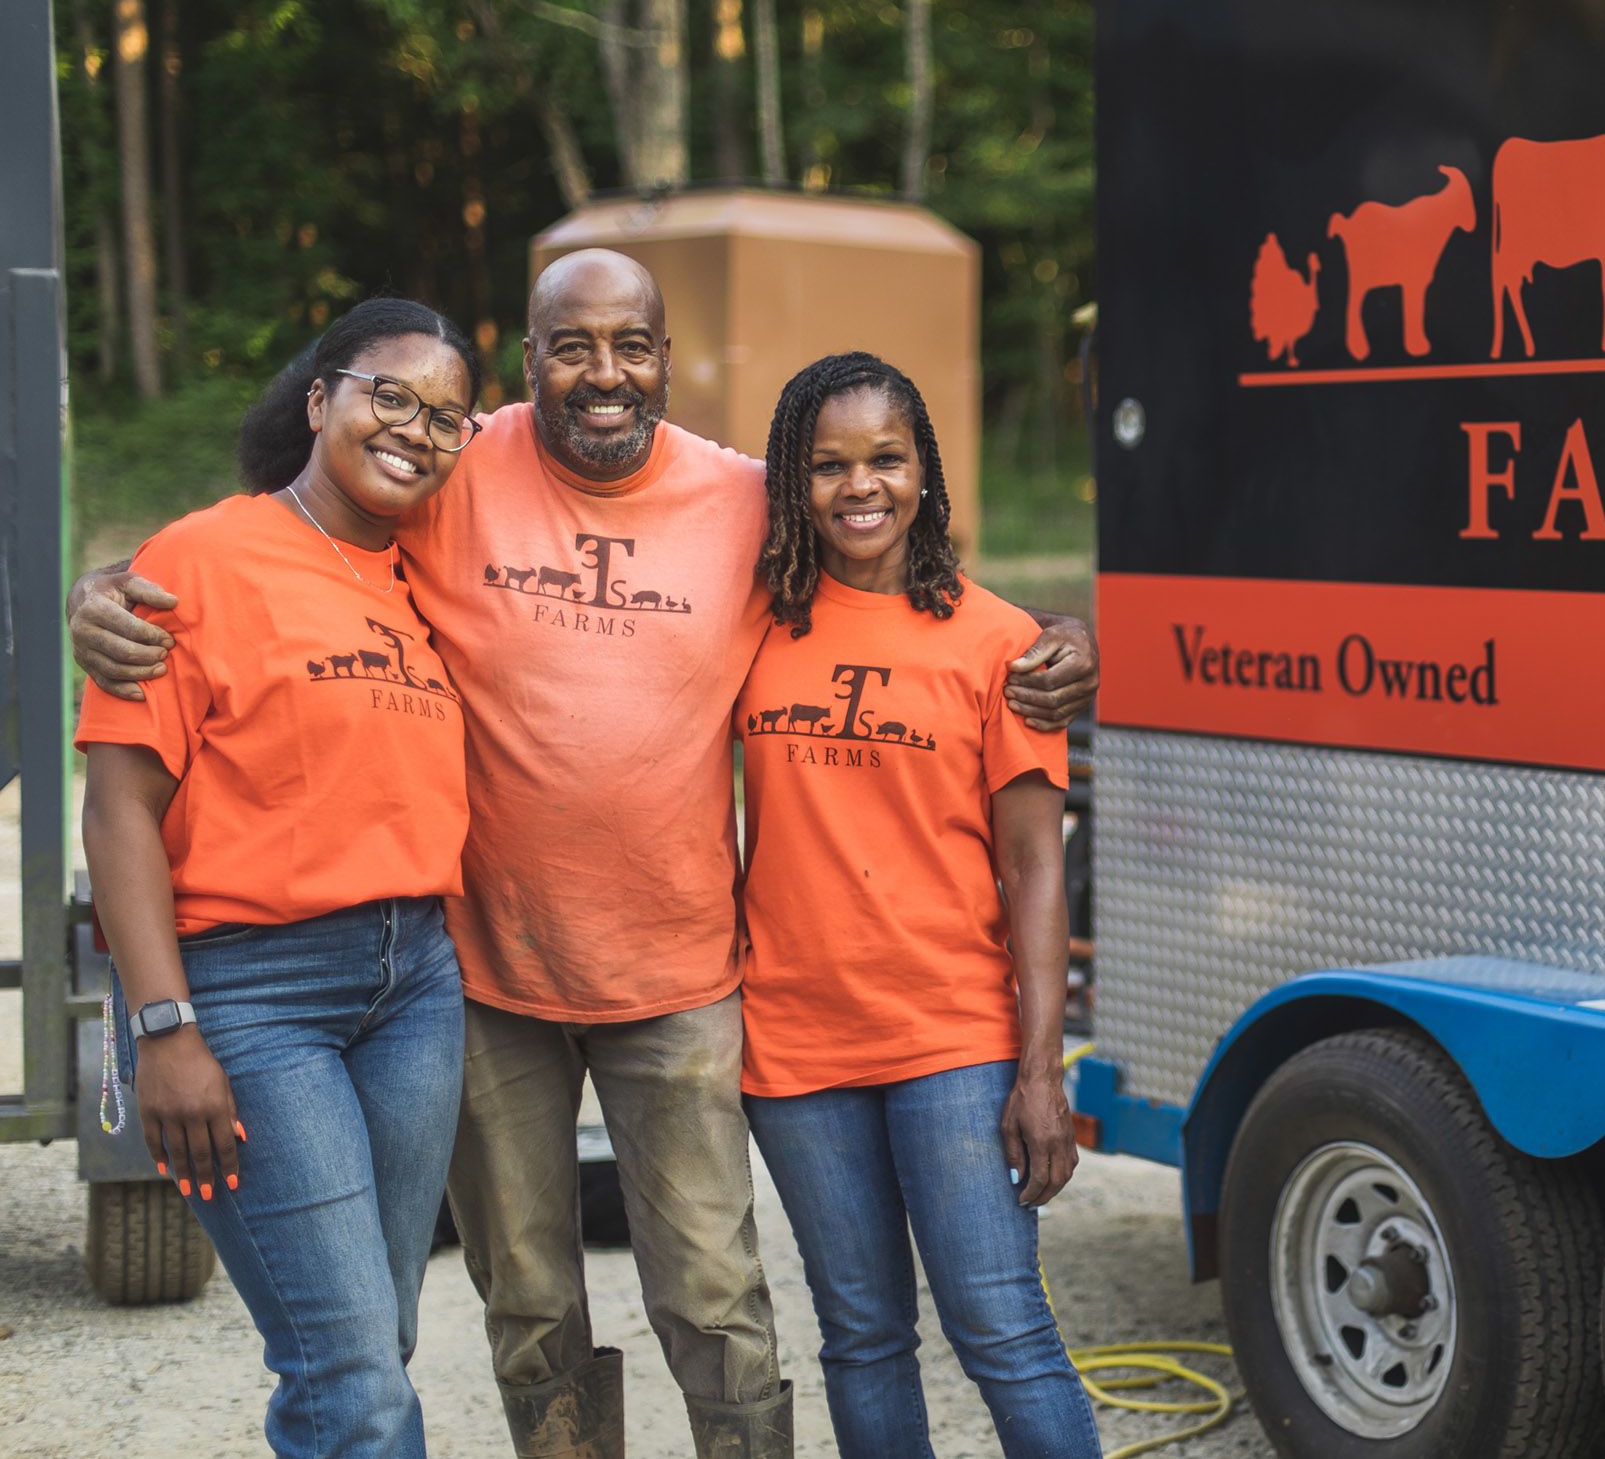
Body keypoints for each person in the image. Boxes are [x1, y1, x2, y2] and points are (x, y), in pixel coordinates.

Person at [67, 250, 1100, 1459]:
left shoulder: (745, 500)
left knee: (718, 1299)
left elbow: (894, 571)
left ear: (666, 359)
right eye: (572, 345)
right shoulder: (452, 460)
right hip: (480, 981)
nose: (602, 373)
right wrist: (112, 585)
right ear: (529, 360)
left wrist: (1059, 640)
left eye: (630, 345)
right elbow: (300, 525)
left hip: (682, 980)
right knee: (531, 1305)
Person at [78, 299, 483, 1456]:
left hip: (414, 986)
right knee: (349, 1373)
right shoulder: (195, 562)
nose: (413, 428)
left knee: (373, 1341)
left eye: (445, 416)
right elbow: (118, 814)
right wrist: (164, 1028)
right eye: (387, 394)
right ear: (320, 398)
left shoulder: (424, 576)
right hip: (249, 994)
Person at [734, 352, 1100, 1459]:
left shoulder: (1002, 646)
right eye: (829, 464)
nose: (861, 487)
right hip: (793, 1044)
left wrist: (1040, 1072)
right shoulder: (751, 625)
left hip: (952, 1037)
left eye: (886, 459)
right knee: (860, 1337)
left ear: (925, 471)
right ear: (792, 481)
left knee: (1001, 1328)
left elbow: (1038, 869)